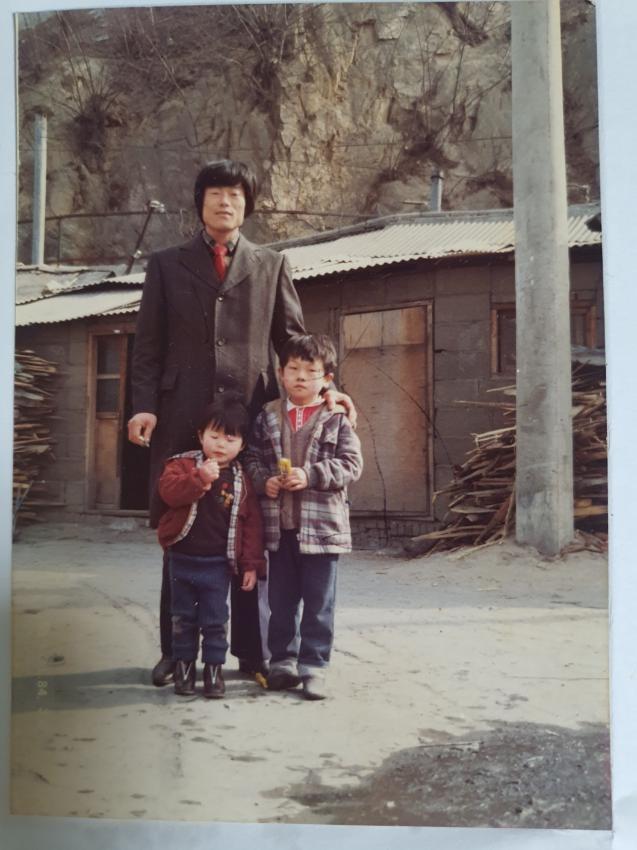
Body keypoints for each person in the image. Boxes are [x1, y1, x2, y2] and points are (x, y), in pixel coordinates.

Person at [128, 158, 355, 687]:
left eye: (235, 194)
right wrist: (144, 405)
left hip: (251, 416)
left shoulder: (271, 264)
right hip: (183, 417)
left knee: (252, 528)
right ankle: (176, 651)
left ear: (247, 204)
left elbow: (294, 342)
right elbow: (148, 345)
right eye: (215, 193)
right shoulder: (165, 264)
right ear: (200, 203)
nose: (225, 202)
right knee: (181, 524)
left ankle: (253, 654)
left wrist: (329, 388)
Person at [244, 334, 363, 700]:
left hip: (322, 529)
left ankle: (314, 667)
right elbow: (251, 458)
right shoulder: (267, 416)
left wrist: (310, 475)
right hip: (280, 528)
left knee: (318, 603)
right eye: (293, 369)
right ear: (280, 373)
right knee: (280, 602)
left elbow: (351, 464)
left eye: (310, 371)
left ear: (326, 378)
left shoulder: (336, 418)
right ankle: (283, 661)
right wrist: (265, 482)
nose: (300, 377)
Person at [156, 395, 265, 698]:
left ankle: (214, 669)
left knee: (215, 620)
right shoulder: (181, 465)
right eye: (214, 436)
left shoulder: (241, 478)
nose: (220, 445)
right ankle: (184, 667)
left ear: (242, 444)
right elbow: (169, 492)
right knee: (183, 618)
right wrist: (199, 478)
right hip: (182, 559)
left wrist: (251, 565)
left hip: (218, 563)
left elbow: (252, 526)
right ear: (200, 435)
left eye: (230, 439)